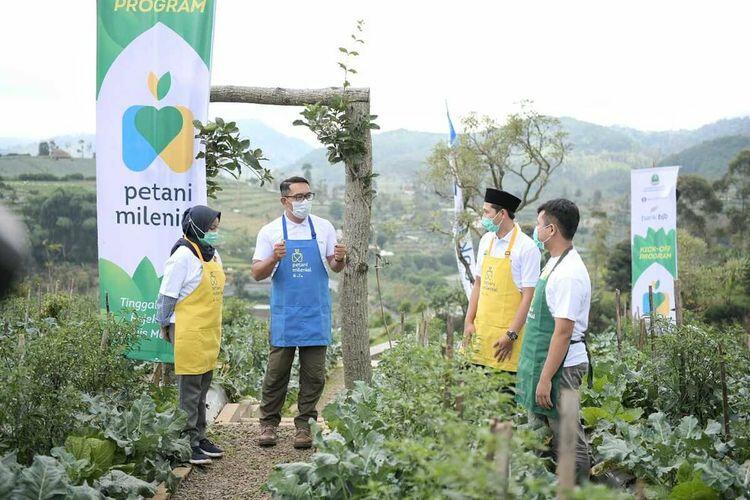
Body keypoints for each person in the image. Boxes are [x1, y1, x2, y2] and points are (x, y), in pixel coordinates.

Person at [251, 176, 346, 449]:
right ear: (284, 201)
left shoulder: (324, 227)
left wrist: (339, 258)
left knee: (314, 374)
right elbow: (257, 273)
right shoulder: (270, 232)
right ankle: (268, 423)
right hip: (285, 314)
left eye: (308, 195)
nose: (305, 201)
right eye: (298, 197)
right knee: (276, 372)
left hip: (315, 313)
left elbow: (334, 266)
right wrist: (274, 257)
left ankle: (304, 425)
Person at [515, 198, 593, 482]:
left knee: (570, 440)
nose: (535, 230)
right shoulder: (554, 263)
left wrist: (546, 378)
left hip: (563, 369)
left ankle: (579, 490)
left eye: (538, 225)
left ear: (551, 230)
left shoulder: (569, 274)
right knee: (553, 435)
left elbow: (563, 331)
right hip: (549, 363)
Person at [156, 205, 226, 465]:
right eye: (211, 228)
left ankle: (200, 436)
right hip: (187, 328)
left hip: (208, 329)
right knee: (190, 389)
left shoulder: (212, 254)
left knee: (204, 383)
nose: (214, 233)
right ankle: (187, 443)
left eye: (216, 228)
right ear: (196, 226)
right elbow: (166, 296)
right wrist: (163, 324)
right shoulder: (183, 256)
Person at [463, 188, 541, 374]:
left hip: (506, 340)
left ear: (502, 214)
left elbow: (528, 297)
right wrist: (468, 322)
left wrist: (511, 335)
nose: (483, 217)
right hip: (480, 334)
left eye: (486, 212)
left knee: (503, 396)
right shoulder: (486, 241)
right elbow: (478, 284)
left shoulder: (526, 248)